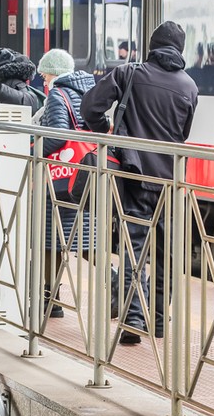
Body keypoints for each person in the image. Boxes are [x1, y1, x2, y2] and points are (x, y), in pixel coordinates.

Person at [82, 21, 198, 345]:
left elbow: (90, 106)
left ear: (152, 44)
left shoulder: (129, 73)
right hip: (170, 181)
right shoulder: (189, 87)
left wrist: (104, 131)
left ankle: (133, 318)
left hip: (133, 176)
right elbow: (183, 134)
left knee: (134, 249)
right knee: (166, 253)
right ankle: (159, 321)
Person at [35, 49, 96, 320]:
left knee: (50, 239)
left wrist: (33, 148)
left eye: (44, 74)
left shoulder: (57, 94)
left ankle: (51, 300)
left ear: (53, 73)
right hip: (81, 177)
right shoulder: (87, 92)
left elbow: (59, 135)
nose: (43, 80)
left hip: (58, 178)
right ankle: (118, 284)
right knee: (85, 242)